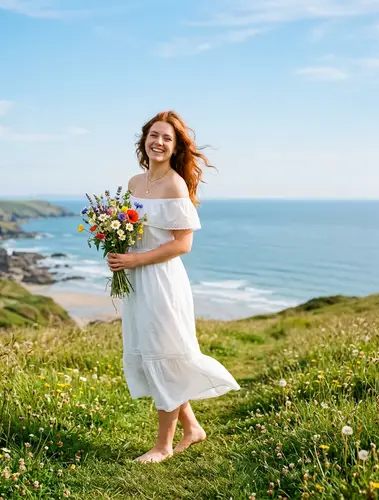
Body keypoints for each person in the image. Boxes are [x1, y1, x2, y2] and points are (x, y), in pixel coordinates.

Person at [106, 110, 240, 463]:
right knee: (151, 352)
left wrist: (134, 260)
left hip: (162, 281)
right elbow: (131, 230)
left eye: (167, 138)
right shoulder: (135, 183)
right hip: (137, 281)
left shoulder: (175, 185)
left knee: (166, 355)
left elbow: (183, 244)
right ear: (144, 140)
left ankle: (163, 446)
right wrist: (117, 252)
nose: (159, 142)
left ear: (176, 146)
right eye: (154, 135)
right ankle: (192, 428)